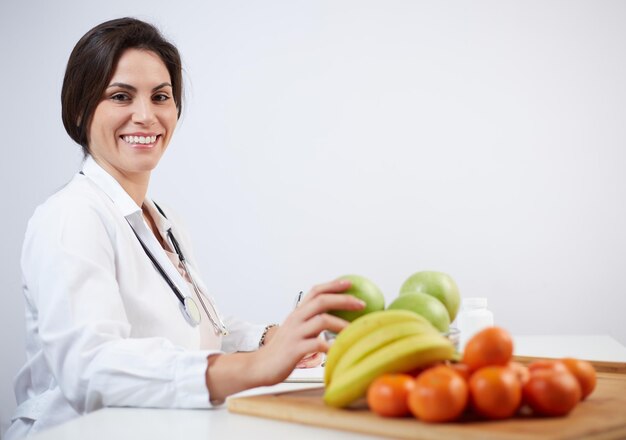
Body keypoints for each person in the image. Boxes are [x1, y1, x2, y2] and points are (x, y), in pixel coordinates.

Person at [6, 17, 364, 439]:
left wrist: (270, 339)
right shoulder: (70, 217)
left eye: (161, 96)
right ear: (81, 109)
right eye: (121, 96)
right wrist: (252, 367)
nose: (146, 116)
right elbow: (91, 369)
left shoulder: (163, 220)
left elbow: (190, 334)